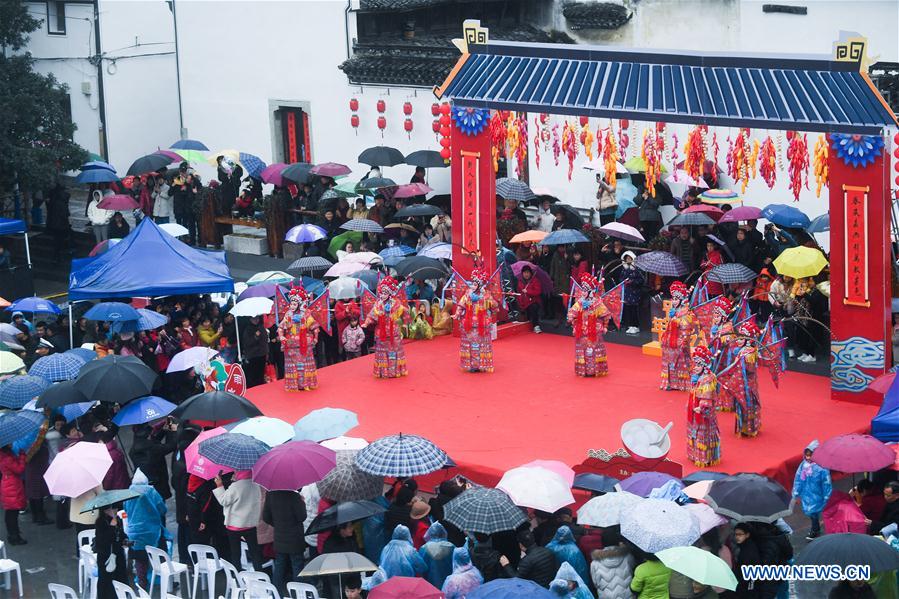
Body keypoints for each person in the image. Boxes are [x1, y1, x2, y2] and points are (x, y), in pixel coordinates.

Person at [123, 469, 167, 589]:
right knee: (158, 555)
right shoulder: (151, 491)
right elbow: (162, 509)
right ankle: (162, 581)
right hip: (152, 532)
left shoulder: (128, 493)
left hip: (133, 533)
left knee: (139, 559)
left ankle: (142, 584)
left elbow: (126, 510)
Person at [213, 470, 264, 571]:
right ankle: (261, 577)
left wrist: (219, 485)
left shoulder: (236, 486)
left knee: (236, 554)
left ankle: (238, 579)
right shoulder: (255, 484)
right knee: (255, 553)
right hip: (250, 524)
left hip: (235, 525)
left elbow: (224, 500)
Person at [453, 268, 500, 373]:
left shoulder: (485, 295)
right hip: (469, 324)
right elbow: (460, 305)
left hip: (482, 324)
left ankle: (482, 365)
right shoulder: (467, 295)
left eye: (475, 284)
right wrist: (457, 314)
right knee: (471, 345)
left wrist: (489, 300)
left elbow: (495, 306)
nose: (472, 286)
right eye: (472, 284)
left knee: (481, 345)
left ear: (480, 285)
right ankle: (472, 365)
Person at [362, 277, 410, 378]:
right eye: (381, 293)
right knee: (382, 352)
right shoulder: (378, 304)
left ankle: (394, 371)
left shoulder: (396, 303)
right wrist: (366, 323)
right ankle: (384, 372)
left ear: (390, 294)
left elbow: (405, 311)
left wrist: (405, 323)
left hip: (394, 332)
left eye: (385, 293)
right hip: (381, 332)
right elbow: (371, 316)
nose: (382, 295)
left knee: (393, 352)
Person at [262, 489, 307, 594]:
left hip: (279, 537)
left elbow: (266, 517)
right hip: (295, 538)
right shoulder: (294, 496)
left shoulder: (270, 495)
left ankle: (276, 592)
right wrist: (302, 503)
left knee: (279, 565)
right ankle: (298, 594)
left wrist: (277, 525)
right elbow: (302, 517)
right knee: (297, 565)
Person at [660, 281, 703, 391]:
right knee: (669, 363)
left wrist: (683, 341)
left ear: (682, 300)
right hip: (670, 342)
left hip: (679, 342)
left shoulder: (686, 313)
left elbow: (686, 329)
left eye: (676, 299)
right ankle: (670, 383)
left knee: (681, 362)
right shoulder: (674, 311)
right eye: (673, 299)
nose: (673, 301)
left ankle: (682, 384)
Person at [567, 272, 612, 377]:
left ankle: (595, 370)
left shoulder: (597, 303)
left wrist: (605, 326)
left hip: (594, 330)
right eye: (583, 290)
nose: (583, 292)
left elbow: (606, 315)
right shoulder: (580, 302)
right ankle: (584, 370)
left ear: (591, 291)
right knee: (583, 349)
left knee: (593, 350)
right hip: (582, 330)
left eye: (585, 290)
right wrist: (572, 318)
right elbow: (572, 312)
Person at [277, 285, 320, 391]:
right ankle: (294, 385)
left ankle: (306, 384)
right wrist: (281, 336)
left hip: (304, 342)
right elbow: (280, 327)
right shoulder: (288, 315)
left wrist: (315, 338)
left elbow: (315, 327)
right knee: (293, 366)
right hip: (291, 343)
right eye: (291, 303)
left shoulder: (306, 314)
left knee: (304, 365)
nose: (292, 306)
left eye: (294, 304)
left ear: (299, 304)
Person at [687, 345, 722, 467]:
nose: (695, 367)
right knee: (694, 431)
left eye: (698, 365)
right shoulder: (698, 377)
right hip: (694, 408)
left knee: (702, 431)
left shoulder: (707, 379)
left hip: (701, 411)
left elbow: (707, 396)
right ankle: (695, 454)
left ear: (705, 365)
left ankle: (704, 458)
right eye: (695, 364)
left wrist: (702, 408)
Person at [793, 440, 832, 539]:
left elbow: (826, 483)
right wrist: (796, 493)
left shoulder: (822, 468)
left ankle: (815, 530)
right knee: (811, 513)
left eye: (810, 455)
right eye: (806, 455)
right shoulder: (803, 465)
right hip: (807, 495)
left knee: (814, 513)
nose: (808, 457)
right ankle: (816, 527)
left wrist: (827, 496)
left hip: (817, 494)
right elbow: (798, 479)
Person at [129, 420, 177, 500]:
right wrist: (171, 431)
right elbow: (171, 446)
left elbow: (155, 441)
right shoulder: (151, 448)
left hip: (148, 483)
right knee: (159, 505)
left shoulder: (138, 443)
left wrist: (165, 430)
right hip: (157, 483)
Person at [590, 529, 635, 599]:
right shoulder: (628, 557)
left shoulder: (595, 563)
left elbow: (596, 584)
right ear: (617, 541)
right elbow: (633, 573)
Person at [95, 506, 128, 598]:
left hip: (118, 555)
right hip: (106, 557)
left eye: (116, 509)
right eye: (112, 509)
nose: (115, 511)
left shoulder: (117, 519)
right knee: (107, 583)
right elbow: (102, 541)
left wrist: (125, 540)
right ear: (105, 510)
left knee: (120, 579)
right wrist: (111, 527)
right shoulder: (100, 522)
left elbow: (121, 534)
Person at [0, 446, 27, 545]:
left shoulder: (3, 456)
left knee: (10, 512)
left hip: (7, 483)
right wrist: (22, 456)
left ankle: (12, 534)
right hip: (12, 485)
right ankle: (14, 536)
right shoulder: (7, 458)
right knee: (12, 513)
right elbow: (19, 469)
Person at [418, 522, 455, 589]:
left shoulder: (424, 548)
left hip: (429, 584)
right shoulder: (451, 546)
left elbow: (421, 568)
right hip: (448, 583)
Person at [732, 523, 764, 597]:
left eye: (740, 534)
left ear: (747, 535)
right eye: (736, 534)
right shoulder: (744, 546)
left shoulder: (748, 550)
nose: (737, 537)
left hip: (748, 586)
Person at [241, 315, 269, 387]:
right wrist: (255, 337)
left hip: (262, 353)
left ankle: (260, 386)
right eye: (254, 318)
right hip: (252, 355)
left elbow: (265, 340)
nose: (256, 320)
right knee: (253, 373)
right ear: (250, 319)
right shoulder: (247, 329)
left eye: (257, 318)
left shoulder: (261, 327)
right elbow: (247, 343)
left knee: (261, 373)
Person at [517, 265, 543, 333]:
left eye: (528, 272)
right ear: (522, 273)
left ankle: (536, 326)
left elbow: (538, 292)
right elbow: (519, 293)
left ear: (530, 273)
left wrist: (528, 291)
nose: (526, 274)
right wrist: (521, 303)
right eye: (524, 273)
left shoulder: (535, 280)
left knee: (533, 308)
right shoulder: (520, 281)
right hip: (524, 302)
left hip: (533, 301)